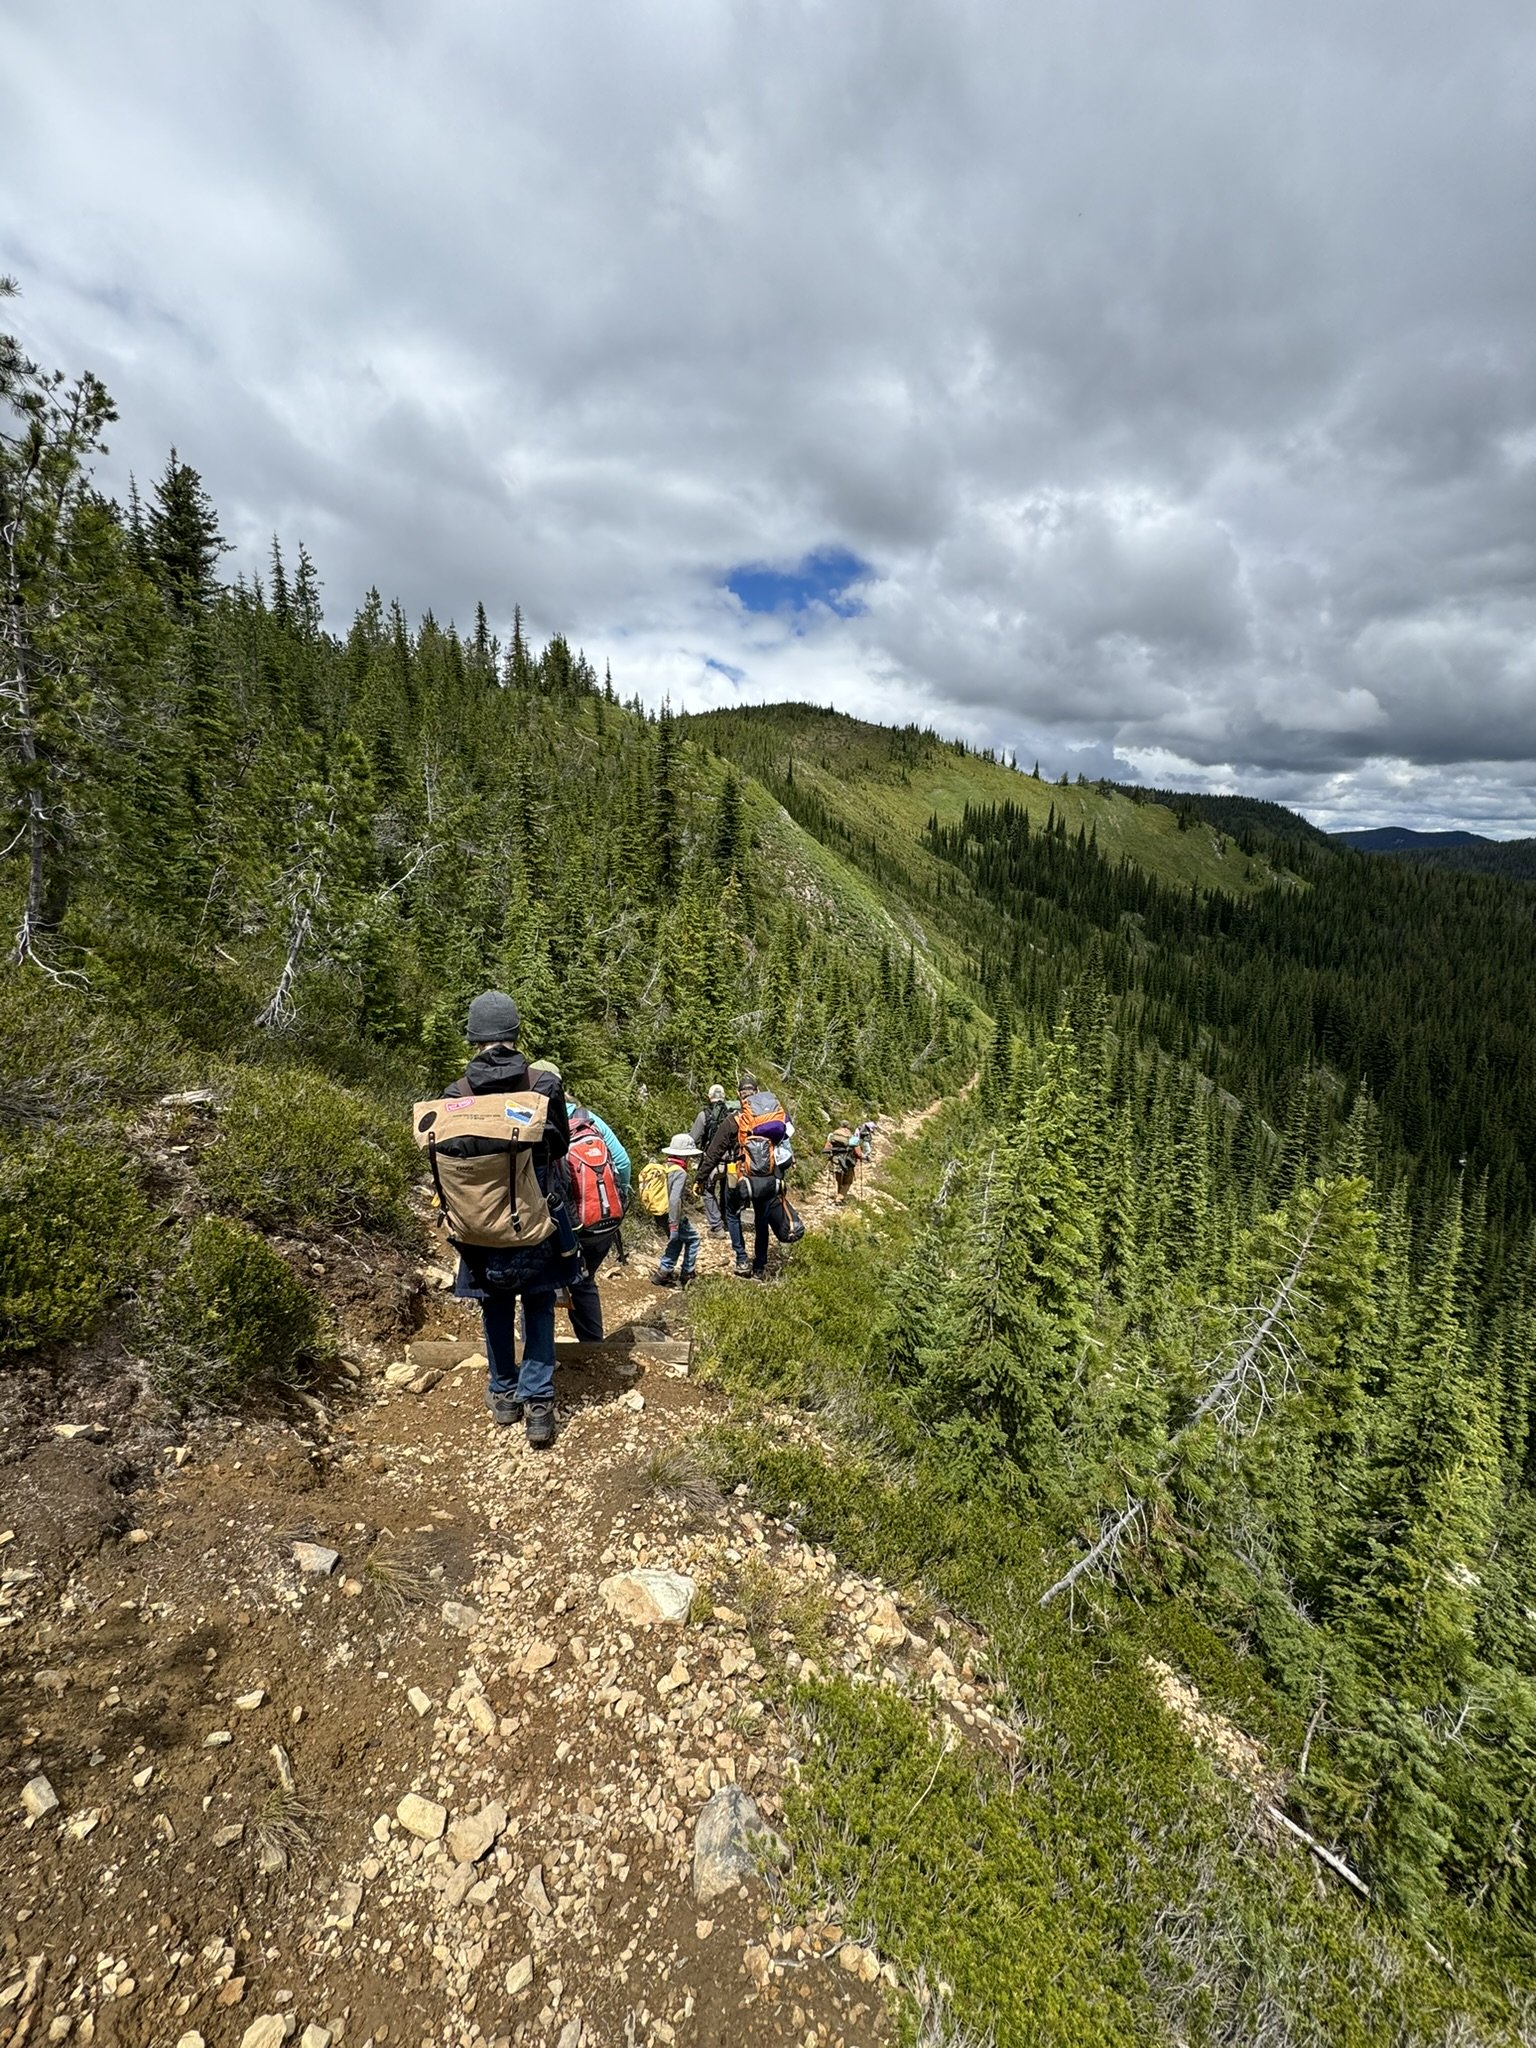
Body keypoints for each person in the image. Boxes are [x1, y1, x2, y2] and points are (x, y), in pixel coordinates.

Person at [445, 991, 574, 1449]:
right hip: (533, 1215)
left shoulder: (455, 1096)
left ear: (474, 1038)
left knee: (494, 1303)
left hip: (479, 1220)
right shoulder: (542, 1084)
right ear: (516, 1034)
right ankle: (538, 1404)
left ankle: (503, 1394)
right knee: (538, 1303)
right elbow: (559, 1146)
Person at [697, 1073, 805, 1279]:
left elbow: (713, 1153)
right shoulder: (772, 1117)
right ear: (756, 1093)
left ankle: (741, 1259)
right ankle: (759, 1265)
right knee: (761, 1220)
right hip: (767, 1178)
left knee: (732, 1214)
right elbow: (785, 1148)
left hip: (739, 1178)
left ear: (739, 1095)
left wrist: (700, 1178)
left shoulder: (733, 1121)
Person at [561, 1089, 631, 1343]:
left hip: (560, 1224)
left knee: (540, 1290)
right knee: (584, 1280)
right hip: (600, 1224)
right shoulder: (589, 1119)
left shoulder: (533, 1118)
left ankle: (538, 1358)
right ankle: (593, 1350)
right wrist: (616, 1197)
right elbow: (623, 1163)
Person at [652, 1133, 702, 1287]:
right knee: (693, 1239)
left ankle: (663, 1273)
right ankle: (687, 1273)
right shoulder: (680, 1172)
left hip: (659, 1214)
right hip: (672, 1215)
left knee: (677, 1240)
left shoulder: (663, 1167)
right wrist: (674, 1224)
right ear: (685, 1156)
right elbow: (675, 1200)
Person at [690, 1085, 736, 1237]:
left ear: (709, 1097)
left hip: (712, 1162)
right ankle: (728, 1222)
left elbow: (693, 1139)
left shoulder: (704, 1115)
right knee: (726, 1191)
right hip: (731, 1161)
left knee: (707, 1190)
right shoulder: (734, 1114)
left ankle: (717, 1226)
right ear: (724, 1096)